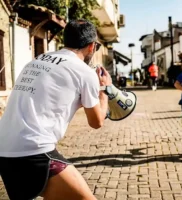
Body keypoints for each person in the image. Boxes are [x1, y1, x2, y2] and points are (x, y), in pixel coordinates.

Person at [0, 19, 112, 200]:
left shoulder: (37, 60)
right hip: (33, 149)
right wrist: (104, 90)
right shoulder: (84, 72)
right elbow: (96, 122)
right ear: (91, 47)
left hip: (4, 149)